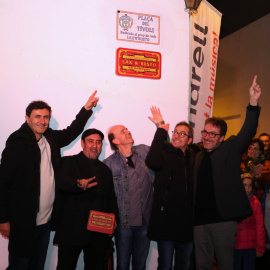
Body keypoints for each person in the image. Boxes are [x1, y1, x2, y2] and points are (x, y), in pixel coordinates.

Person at [0, 91, 99, 270]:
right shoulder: (17, 143)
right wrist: (3, 219)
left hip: (44, 222)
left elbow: (71, 132)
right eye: (37, 116)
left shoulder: (50, 138)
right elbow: (2, 184)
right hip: (22, 222)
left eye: (46, 117)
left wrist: (86, 109)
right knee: (19, 265)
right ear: (27, 118)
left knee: (37, 266)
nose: (42, 121)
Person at [193, 75, 262, 270]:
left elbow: (248, 130)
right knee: (201, 265)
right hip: (199, 223)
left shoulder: (230, 149)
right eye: (205, 132)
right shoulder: (198, 156)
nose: (207, 137)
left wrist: (253, 102)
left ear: (221, 138)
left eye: (212, 134)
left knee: (225, 265)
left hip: (222, 222)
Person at [103, 107, 164, 270]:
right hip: (124, 224)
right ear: (115, 141)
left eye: (127, 129)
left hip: (145, 221)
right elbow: (106, 196)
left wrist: (160, 125)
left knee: (140, 265)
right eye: (122, 131)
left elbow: (161, 150)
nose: (128, 131)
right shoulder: (109, 164)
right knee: (122, 265)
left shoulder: (144, 151)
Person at [55, 129, 119, 270]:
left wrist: (114, 219)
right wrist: (77, 184)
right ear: (82, 143)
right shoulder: (68, 161)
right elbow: (61, 181)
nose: (94, 146)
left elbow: (111, 199)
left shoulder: (105, 170)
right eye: (90, 141)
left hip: (98, 233)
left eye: (98, 142)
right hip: (71, 231)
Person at [145, 120, 194, 270]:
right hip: (166, 222)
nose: (177, 136)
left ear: (190, 140)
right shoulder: (163, 153)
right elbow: (151, 162)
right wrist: (161, 131)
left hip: (187, 225)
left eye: (182, 133)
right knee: (165, 265)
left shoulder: (193, 159)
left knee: (183, 265)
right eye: (175, 132)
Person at [234, 173, 265, 270]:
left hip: (250, 246)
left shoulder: (255, 203)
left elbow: (259, 226)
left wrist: (260, 247)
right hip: (235, 245)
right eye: (244, 185)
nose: (247, 188)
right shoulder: (233, 201)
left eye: (250, 185)